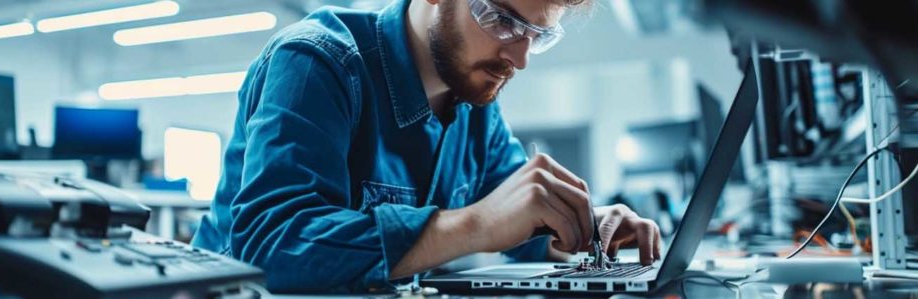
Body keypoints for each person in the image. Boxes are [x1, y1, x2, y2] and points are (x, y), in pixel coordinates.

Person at [192, 0, 661, 293]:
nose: (519, 59)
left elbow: (520, 223)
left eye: (536, 37)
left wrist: (580, 227)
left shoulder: (477, 105)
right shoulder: (318, 61)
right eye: (502, 20)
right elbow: (272, 249)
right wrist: (474, 224)